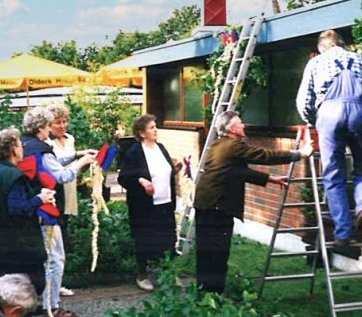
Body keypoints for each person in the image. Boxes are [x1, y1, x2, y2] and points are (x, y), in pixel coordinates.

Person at [193, 111, 313, 293]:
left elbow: (235, 172)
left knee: (205, 249)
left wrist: (269, 179)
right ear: (232, 129)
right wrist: (299, 154)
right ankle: (213, 294)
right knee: (218, 251)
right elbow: (265, 155)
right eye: (240, 124)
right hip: (217, 205)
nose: (244, 126)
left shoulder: (218, 145)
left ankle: (203, 290)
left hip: (205, 203)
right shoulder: (234, 146)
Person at [295, 29, 362, 254]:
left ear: (322, 47)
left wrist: (314, 122)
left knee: (333, 174)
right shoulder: (358, 59)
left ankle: (343, 232)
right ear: (341, 44)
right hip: (360, 112)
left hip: (329, 114)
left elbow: (304, 101)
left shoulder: (316, 62)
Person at [22, 107, 95, 317]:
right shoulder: (41, 149)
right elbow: (61, 176)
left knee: (43, 259)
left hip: (31, 209)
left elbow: (51, 164)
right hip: (45, 211)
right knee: (55, 259)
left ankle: (43, 302)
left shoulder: (26, 145)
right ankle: (51, 307)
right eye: (48, 126)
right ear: (41, 127)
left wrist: (75, 155)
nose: (49, 131)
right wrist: (81, 163)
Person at [0, 127, 54, 294]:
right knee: (31, 287)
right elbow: (17, 210)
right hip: (17, 247)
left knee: (2, 290)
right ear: (13, 149)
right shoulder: (14, 176)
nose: (23, 149)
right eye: (20, 145)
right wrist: (40, 199)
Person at [118, 114, 181, 291]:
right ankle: (142, 275)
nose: (155, 130)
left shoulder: (161, 147)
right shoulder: (134, 152)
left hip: (165, 202)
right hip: (144, 206)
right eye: (152, 128)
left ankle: (168, 274)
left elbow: (165, 170)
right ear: (142, 133)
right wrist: (141, 181)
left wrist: (175, 170)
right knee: (144, 239)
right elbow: (124, 177)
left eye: (155, 127)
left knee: (168, 239)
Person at [45, 102, 96, 297]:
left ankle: (59, 282)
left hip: (69, 189)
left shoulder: (70, 139)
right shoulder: (47, 144)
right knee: (55, 239)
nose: (62, 125)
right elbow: (56, 165)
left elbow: (74, 165)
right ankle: (53, 286)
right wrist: (78, 158)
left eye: (65, 121)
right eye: (58, 122)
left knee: (63, 236)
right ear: (49, 125)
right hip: (55, 190)